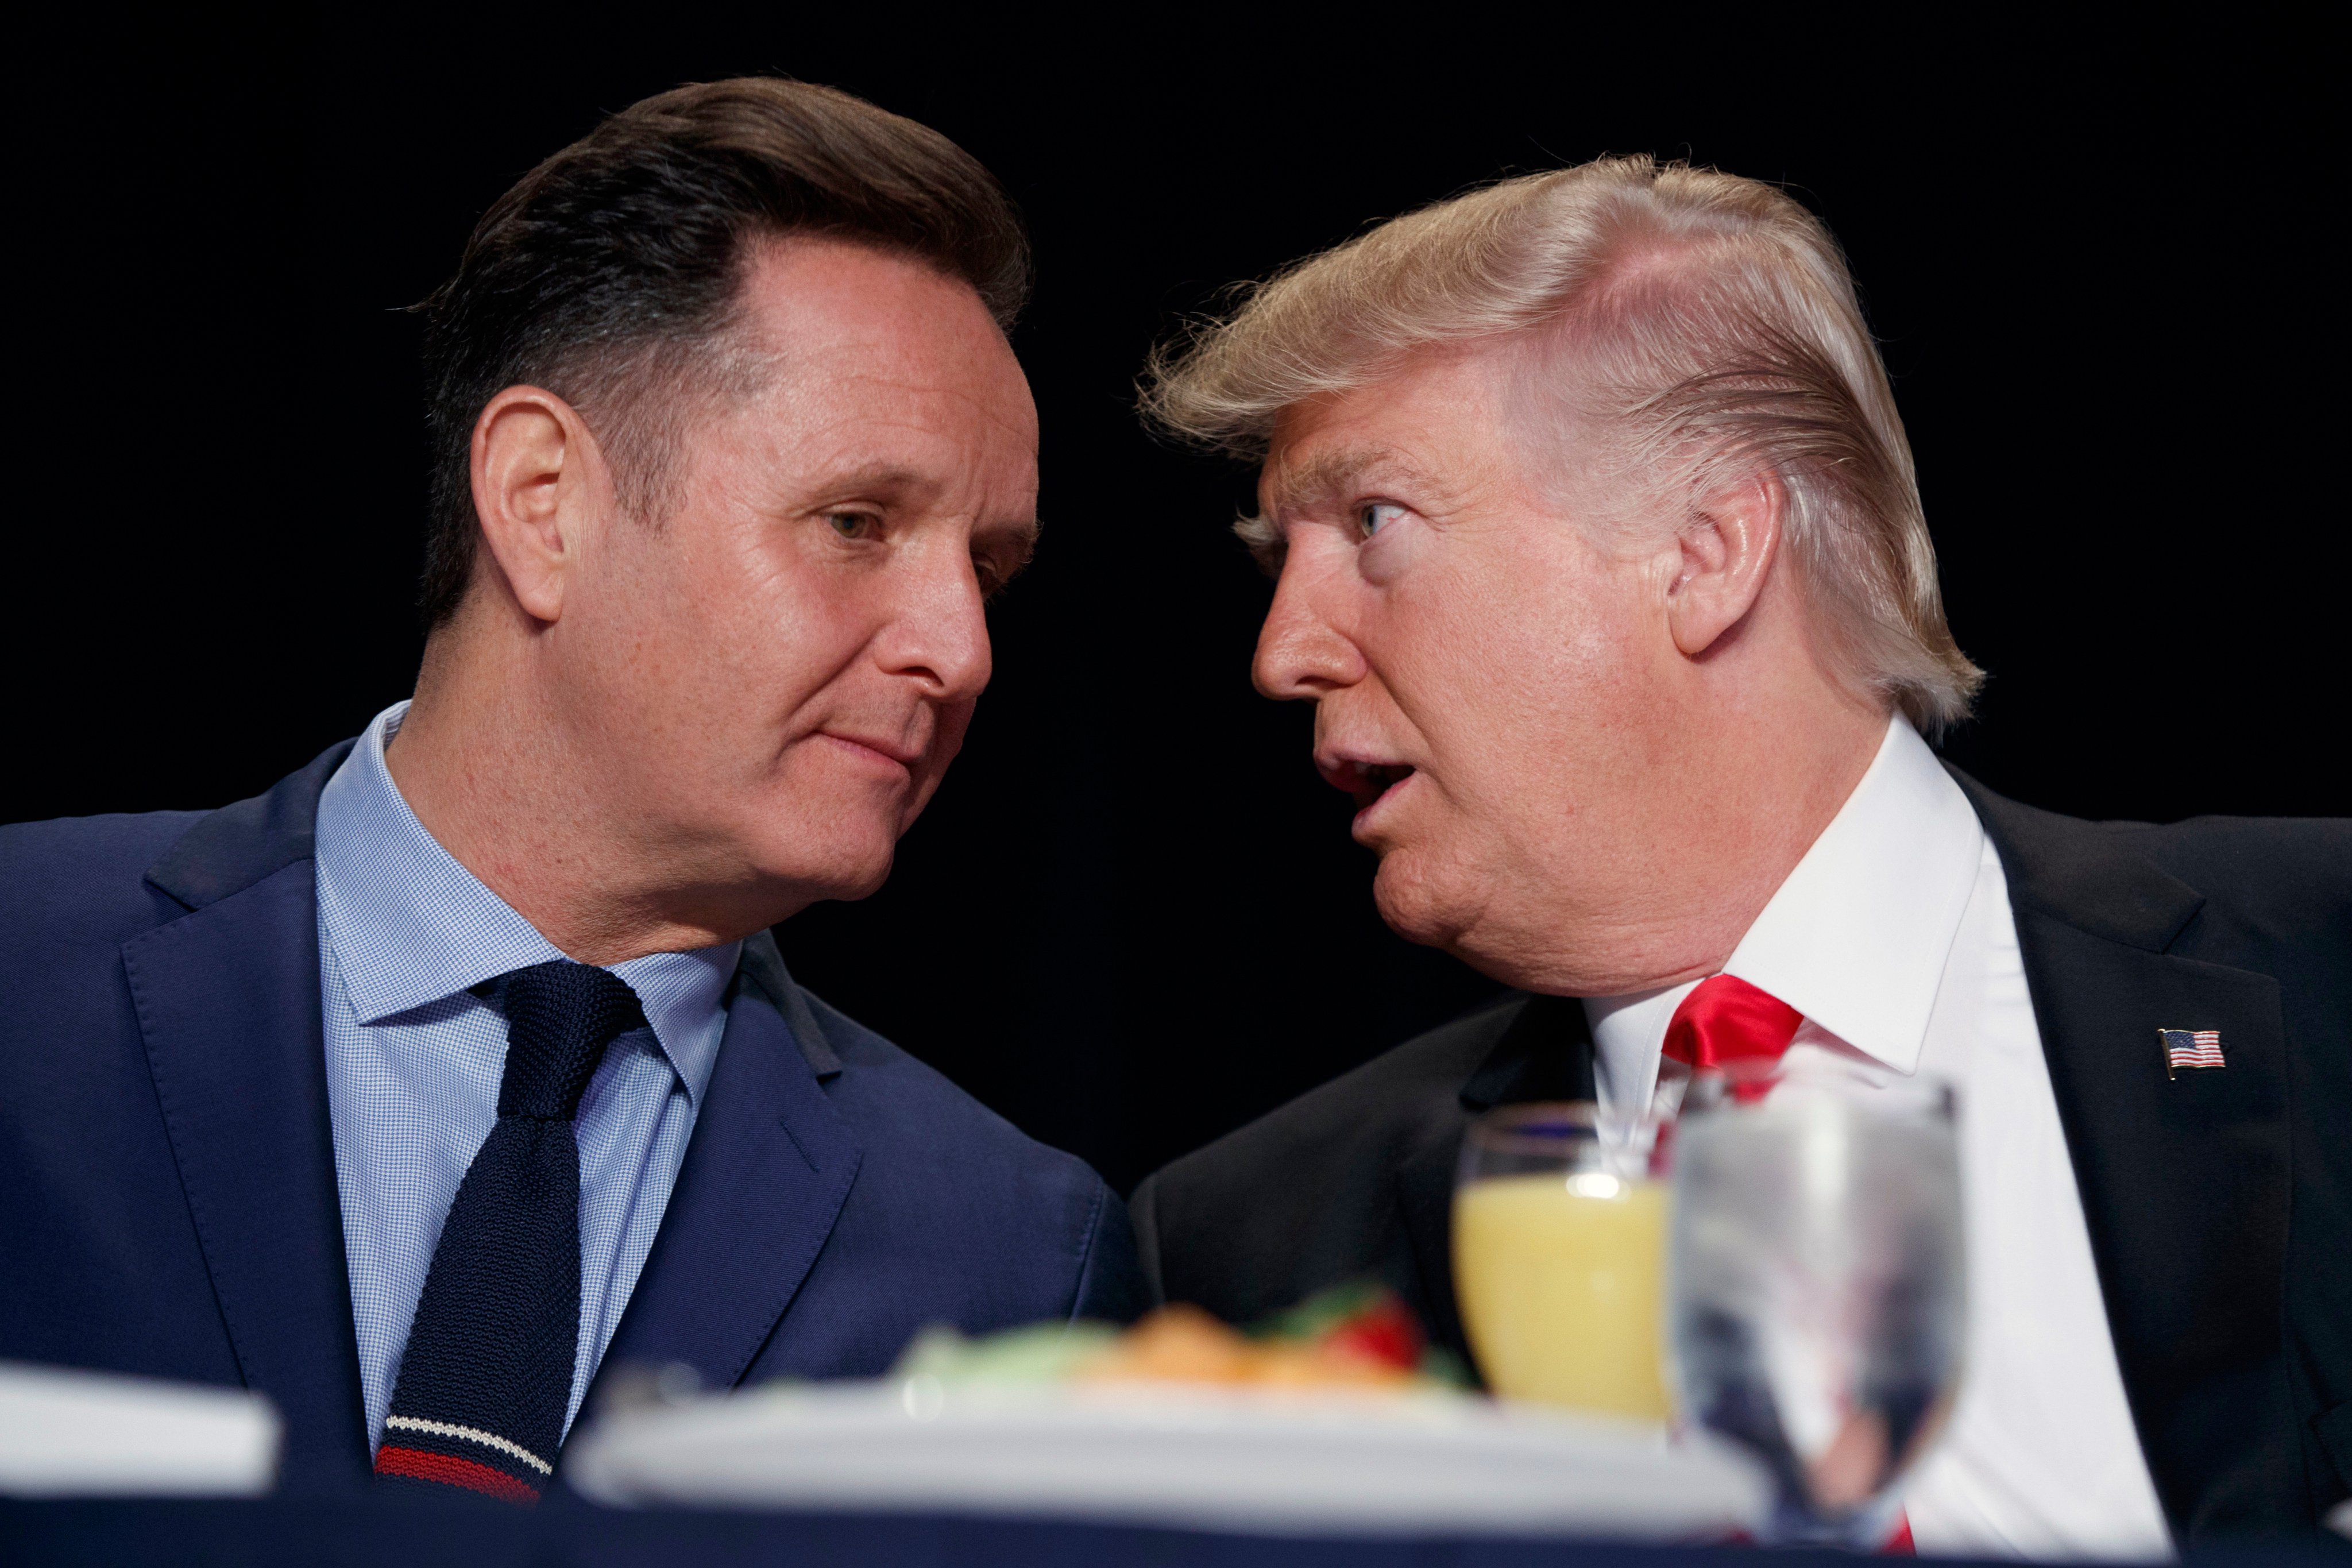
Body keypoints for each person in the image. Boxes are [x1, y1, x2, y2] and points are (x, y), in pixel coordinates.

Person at [1130, 157, 2349, 1553]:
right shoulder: (1247, 1249)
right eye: (1276, 557)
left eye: (1370, 525)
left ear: (1705, 550)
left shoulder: (2321, 957)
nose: (1282, 651)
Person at [0, 79, 1139, 1503]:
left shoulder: (1017, 1254)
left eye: (986, 570)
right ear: (544, 501)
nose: (959, 650)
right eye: (857, 523)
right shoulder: (19, 979)